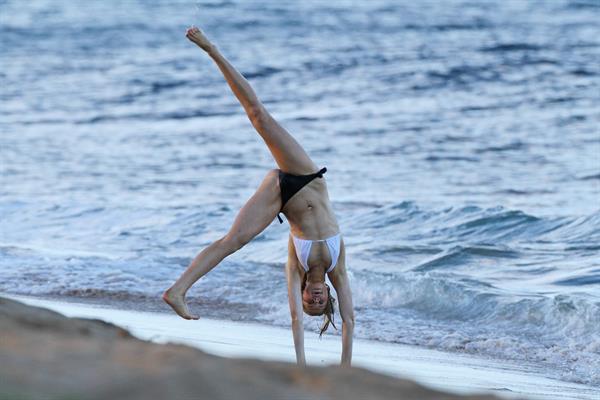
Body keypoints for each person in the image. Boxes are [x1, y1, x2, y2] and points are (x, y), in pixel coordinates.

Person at [163, 26, 354, 367]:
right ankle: (212, 49)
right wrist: (346, 372)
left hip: (280, 195)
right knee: (259, 116)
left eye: (308, 300)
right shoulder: (337, 269)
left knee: (232, 240)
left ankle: (177, 290)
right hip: (306, 180)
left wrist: (300, 365)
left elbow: (295, 321)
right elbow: (350, 322)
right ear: (327, 298)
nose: (313, 298)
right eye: (318, 302)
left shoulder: (295, 269)